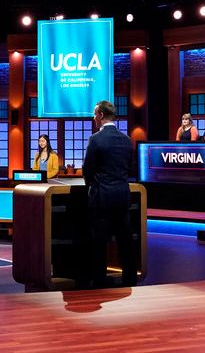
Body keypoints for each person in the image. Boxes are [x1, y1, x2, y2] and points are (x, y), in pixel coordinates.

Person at [82, 100, 136, 288]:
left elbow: (87, 169)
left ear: (101, 115)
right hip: (122, 197)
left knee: (99, 244)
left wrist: (92, 186)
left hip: (101, 199)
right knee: (126, 243)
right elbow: (130, 168)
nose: (93, 117)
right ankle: (130, 279)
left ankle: (99, 282)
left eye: (95, 114)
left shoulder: (96, 139)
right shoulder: (127, 139)